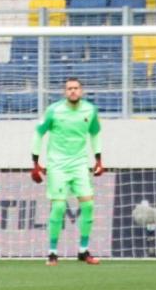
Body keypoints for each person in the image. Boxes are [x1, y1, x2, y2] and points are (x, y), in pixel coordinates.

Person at [31, 77, 103, 266]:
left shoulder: (90, 110)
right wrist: (35, 162)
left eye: (76, 88)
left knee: (88, 206)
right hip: (57, 166)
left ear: (82, 91)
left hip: (79, 164)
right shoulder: (54, 110)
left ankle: (83, 251)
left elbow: (95, 133)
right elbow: (39, 132)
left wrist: (98, 159)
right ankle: (52, 253)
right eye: (69, 88)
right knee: (59, 207)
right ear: (65, 92)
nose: (73, 91)